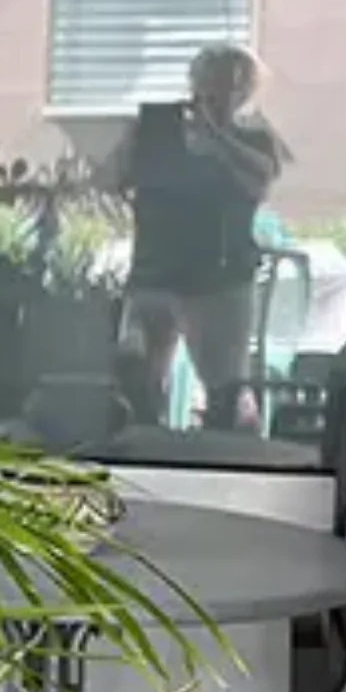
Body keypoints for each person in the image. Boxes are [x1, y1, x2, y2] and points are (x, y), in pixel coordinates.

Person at [115, 44, 287, 430]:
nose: (216, 94)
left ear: (245, 92)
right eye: (208, 82)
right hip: (156, 270)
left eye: (230, 86)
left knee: (224, 387)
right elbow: (115, 177)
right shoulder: (155, 127)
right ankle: (144, 442)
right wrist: (132, 151)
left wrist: (218, 141)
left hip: (219, 276)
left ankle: (225, 451)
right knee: (138, 378)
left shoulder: (255, 138)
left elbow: (260, 182)